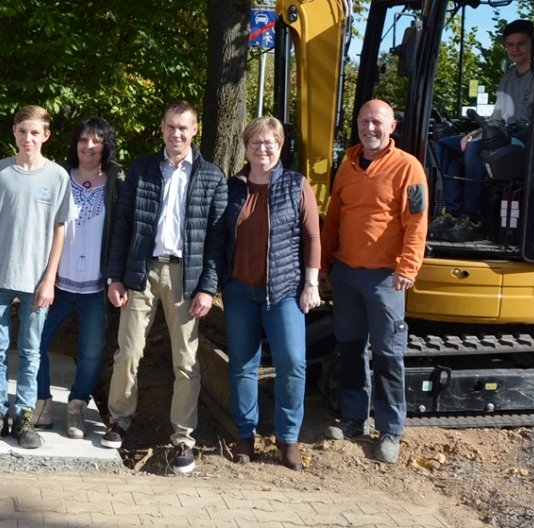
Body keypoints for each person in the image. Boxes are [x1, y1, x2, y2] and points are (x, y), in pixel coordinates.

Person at [103, 100, 227, 475]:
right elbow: (122, 226)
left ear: (194, 131)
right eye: (171, 126)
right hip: (141, 270)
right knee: (128, 351)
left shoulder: (211, 176)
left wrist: (207, 288)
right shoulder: (142, 169)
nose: (176, 133)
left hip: (185, 277)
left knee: (186, 361)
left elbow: (217, 241)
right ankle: (119, 420)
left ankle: (183, 439)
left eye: (183, 127)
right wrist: (115, 276)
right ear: (162, 128)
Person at [322, 99, 428, 465]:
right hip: (346, 274)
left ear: (392, 127)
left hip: (386, 278)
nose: (370, 127)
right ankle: (354, 420)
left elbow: (417, 222)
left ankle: (390, 429)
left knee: (387, 355)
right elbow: (334, 218)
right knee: (350, 349)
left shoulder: (408, 167)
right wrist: (324, 264)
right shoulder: (348, 164)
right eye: (364, 121)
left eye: (377, 122)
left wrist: (408, 267)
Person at [0, 105, 74, 450]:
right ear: (14, 131)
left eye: (35, 132)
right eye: (22, 131)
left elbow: (60, 230)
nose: (28, 138)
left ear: (46, 135)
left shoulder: (57, 176)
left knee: (31, 351)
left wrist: (50, 279)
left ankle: (24, 415)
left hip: (36, 281)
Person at [220, 117, 320, 470]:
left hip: (284, 290)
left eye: (269, 143)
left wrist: (311, 283)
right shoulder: (234, 187)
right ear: (246, 147)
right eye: (255, 143)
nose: (262, 149)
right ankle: (245, 435)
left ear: (280, 146)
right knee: (242, 366)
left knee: (292, 362)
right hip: (239, 290)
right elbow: (220, 235)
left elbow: (312, 236)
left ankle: (287, 438)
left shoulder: (296, 185)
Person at [33, 117, 121, 440]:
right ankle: (41, 402)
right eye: (83, 140)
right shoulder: (58, 177)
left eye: (96, 140)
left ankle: (76, 407)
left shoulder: (116, 183)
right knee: (35, 341)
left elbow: (120, 232)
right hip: (55, 282)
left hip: (96, 287)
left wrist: (116, 277)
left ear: (105, 146)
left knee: (92, 352)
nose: (89, 146)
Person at [431, 19, 534, 242]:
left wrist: (484, 137)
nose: (515, 49)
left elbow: (532, 120)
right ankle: (453, 211)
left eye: (521, 44)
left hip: (524, 139)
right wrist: (475, 133)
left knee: (474, 149)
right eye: (510, 45)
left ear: (533, 43)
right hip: (500, 135)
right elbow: (497, 117)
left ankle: (473, 218)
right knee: (446, 144)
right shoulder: (507, 78)